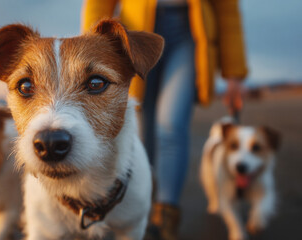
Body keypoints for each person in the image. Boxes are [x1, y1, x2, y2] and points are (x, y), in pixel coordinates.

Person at [81, 0, 248, 239]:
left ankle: (166, 221)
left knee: (170, 125)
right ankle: (143, 211)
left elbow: (227, 8)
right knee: (144, 130)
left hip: (190, 31)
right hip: (135, 31)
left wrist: (235, 72)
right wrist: (90, 47)